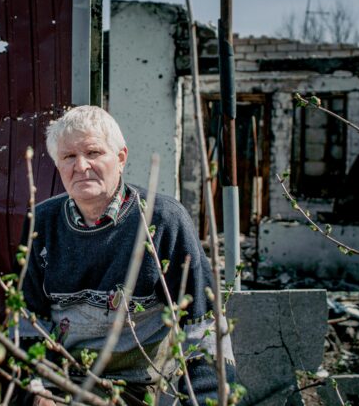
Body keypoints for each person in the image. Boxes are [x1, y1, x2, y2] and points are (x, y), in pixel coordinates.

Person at [19, 106, 235, 405]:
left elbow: (203, 323)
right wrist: (38, 386)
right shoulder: (42, 222)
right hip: (63, 381)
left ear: (120, 158)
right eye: (69, 156)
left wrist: (205, 399)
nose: (81, 166)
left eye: (93, 152)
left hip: (137, 386)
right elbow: (29, 318)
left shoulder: (163, 220)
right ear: (58, 165)